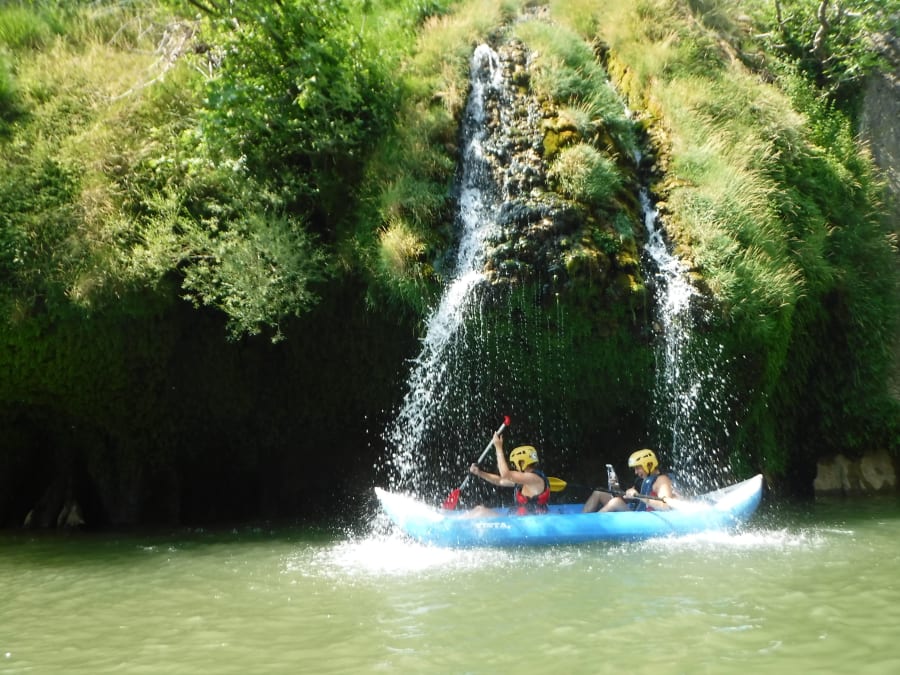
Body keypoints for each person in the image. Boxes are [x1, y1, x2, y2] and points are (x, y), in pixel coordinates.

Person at [465, 432, 550, 517]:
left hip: (530, 521)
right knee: (479, 509)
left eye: (515, 463)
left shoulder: (533, 478)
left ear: (522, 462)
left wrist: (498, 448)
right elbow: (500, 480)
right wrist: (479, 473)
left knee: (481, 513)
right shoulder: (524, 479)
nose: (514, 466)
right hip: (519, 519)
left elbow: (505, 474)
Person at [582, 448, 676, 513]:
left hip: (645, 517)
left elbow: (665, 506)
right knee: (598, 492)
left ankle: (591, 525)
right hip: (637, 510)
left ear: (649, 465)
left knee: (616, 502)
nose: (635, 472)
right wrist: (616, 488)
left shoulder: (662, 480)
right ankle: (582, 520)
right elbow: (627, 499)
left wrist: (639, 497)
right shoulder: (642, 480)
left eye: (638, 468)